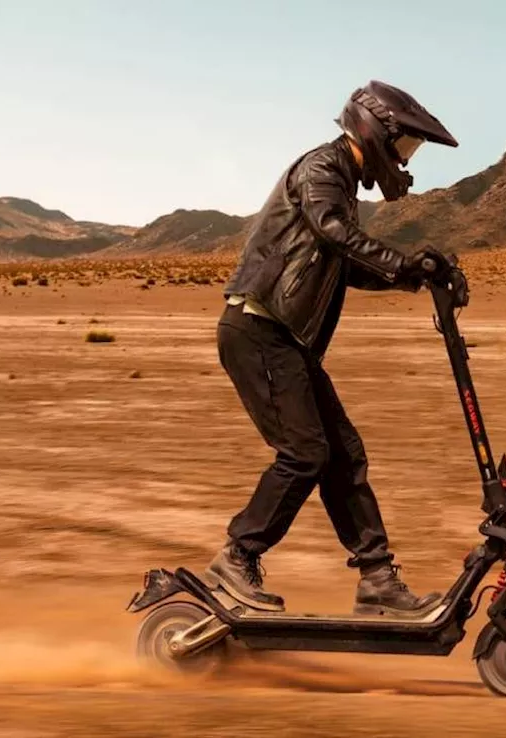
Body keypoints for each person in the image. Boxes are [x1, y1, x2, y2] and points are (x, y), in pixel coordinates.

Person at [205, 81, 459, 615]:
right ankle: (238, 555)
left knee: (343, 455)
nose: (403, 160)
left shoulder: (342, 183)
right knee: (304, 453)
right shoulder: (322, 169)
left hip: (285, 341)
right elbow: (334, 234)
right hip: (259, 331)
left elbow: (343, 264)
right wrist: (403, 262)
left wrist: (416, 276)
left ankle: (378, 581)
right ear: (376, 130)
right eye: (404, 146)